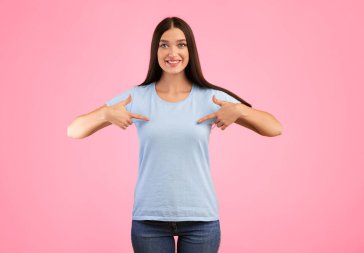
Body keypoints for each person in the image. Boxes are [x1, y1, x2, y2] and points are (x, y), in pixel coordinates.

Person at [67, 16, 282, 253]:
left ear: (190, 50)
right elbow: (74, 130)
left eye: (181, 44)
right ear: (155, 50)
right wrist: (106, 114)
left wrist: (240, 110)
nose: (173, 52)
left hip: (201, 219)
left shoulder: (210, 98)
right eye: (164, 44)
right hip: (149, 219)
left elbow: (274, 127)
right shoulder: (136, 98)